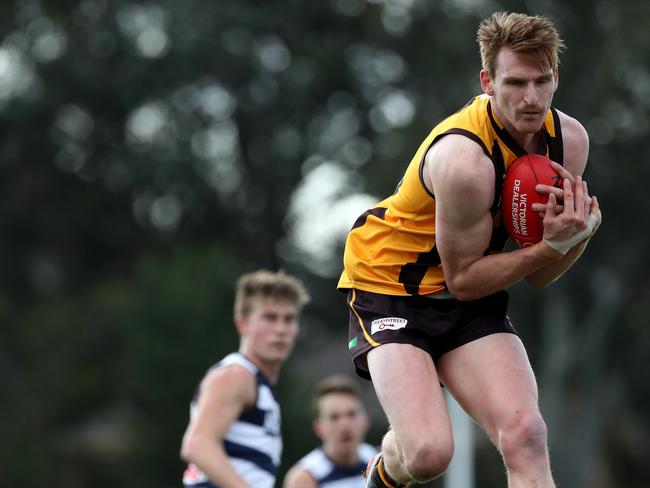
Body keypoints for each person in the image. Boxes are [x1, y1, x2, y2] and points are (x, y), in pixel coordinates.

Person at [337, 11, 601, 488]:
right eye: (516, 82)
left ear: (556, 77)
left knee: (526, 434)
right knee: (428, 453)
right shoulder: (464, 162)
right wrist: (553, 247)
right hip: (390, 285)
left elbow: (541, 274)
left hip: (469, 294)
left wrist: (575, 237)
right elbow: (463, 279)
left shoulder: (569, 142)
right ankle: (381, 472)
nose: (531, 98)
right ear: (487, 81)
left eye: (542, 81)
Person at [180, 269, 310, 488]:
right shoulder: (236, 375)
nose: (281, 329)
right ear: (242, 324)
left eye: (289, 319)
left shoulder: (258, 383)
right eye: (270, 317)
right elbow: (197, 444)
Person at [283, 375, 378, 488]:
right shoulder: (304, 478)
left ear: (365, 420)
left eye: (351, 414)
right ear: (318, 428)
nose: (345, 425)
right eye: (334, 417)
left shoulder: (379, 460)